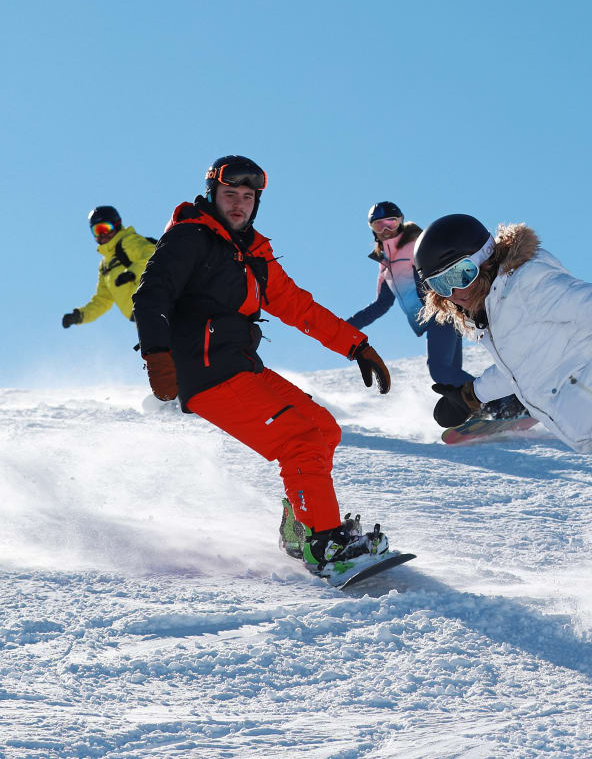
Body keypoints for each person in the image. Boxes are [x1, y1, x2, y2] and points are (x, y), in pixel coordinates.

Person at [415, 213, 592, 605]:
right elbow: (519, 369)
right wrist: (470, 395)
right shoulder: (494, 311)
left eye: (461, 274)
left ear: (484, 259)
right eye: (440, 284)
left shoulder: (526, 282)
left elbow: (586, 299)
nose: (455, 292)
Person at [132, 155, 392, 568]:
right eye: (229, 194)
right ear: (212, 195)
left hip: (240, 367)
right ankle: (322, 544)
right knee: (299, 441)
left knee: (322, 428)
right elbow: (151, 295)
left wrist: (356, 346)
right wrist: (157, 357)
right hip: (205, 372)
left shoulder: (252, 253)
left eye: (247, 197)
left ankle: (301, 529)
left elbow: (297, 306)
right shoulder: (190, 237)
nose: (238, 204)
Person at [346, 201, 522, 418]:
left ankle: (502, 405)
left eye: (391, 223)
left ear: (401, 222)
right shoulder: (385, 265)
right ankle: (483, 409)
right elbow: (382, 304)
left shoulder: (414, 248)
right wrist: (345, 327)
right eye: (379, 225)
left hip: (441, 314)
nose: (386, 230)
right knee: (450, 373)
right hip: (433, 320)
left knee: (440, 371)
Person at [61, 206, 157, 329]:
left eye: (105, 228)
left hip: (155, 302)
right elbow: (103, 299)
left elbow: (151, 254)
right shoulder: (105, 265)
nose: (102, 234)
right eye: (97, 231)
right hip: (141, 316)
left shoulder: (127, 241)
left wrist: (131, 273)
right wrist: (80, 316)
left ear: (117, 225)